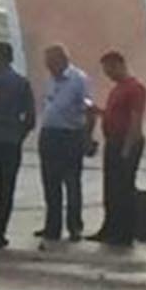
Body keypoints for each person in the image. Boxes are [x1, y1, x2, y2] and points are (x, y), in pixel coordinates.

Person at [88, 50, 146, 248]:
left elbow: (135, 121)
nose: (108, 75)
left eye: (109, 70)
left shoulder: (135, 88)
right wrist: (98, 112)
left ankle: (124, 233)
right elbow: (113, 115)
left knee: (124, 189)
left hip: (126, 142)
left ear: (119, 65)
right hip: (112, 141)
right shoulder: (117, 89)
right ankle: (109, 228)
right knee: (111, 188)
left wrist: (127, 148)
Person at [36, 43, 93, 243]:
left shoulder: (79, 79)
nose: (48, 67)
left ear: (61, 60)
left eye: (50, 63)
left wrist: (87, 136)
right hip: (50, 135)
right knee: (50, 183)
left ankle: (75, 226)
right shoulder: (51, 79)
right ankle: (52, 226)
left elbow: (88, 108)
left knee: (72, 183)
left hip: (70, 135)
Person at [0, 41, 34, 249]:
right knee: (6, 188)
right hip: (11, 139)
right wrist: (19, 134)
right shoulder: (21, 83)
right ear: (11, 58)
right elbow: (30, 117)